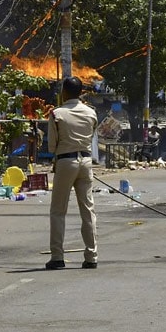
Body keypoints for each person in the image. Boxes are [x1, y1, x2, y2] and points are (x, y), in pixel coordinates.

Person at [46, 76, 99, 270]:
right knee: (88, 210)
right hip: (86, 161)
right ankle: (91, 256)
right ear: (81, 92)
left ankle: (57, 257)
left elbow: (52, 145)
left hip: (65, 162)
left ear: (65, 92)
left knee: (58, 211)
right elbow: (91, 135)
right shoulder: (91, 113)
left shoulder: (56, 114)